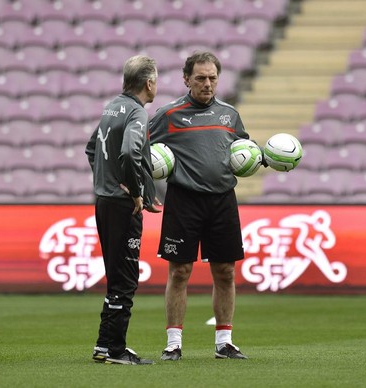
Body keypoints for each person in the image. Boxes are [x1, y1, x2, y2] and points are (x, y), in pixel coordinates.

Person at [149, 51, 257, 361]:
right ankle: (173, 343)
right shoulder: (168, 115)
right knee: (180, 271)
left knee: (225, 272)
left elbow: (243, 150)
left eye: (212, 78)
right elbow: (142, 153)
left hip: (222, 199)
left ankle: (224, 343)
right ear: (186, 79)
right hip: (184, 199)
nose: (207, 84)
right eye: (200, 78)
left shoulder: (230, 115)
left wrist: (259, 158)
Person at [85, 55, 162, 365]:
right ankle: (116, 350)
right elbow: (130, 152)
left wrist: (106, 181)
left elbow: (91, 149)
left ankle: (105, 345)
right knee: (126, 279)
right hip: (121, 206)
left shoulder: (111, 108)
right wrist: (135, 190)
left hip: (104, 201)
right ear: (148, 83)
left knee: (115, 276)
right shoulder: (136, 112)